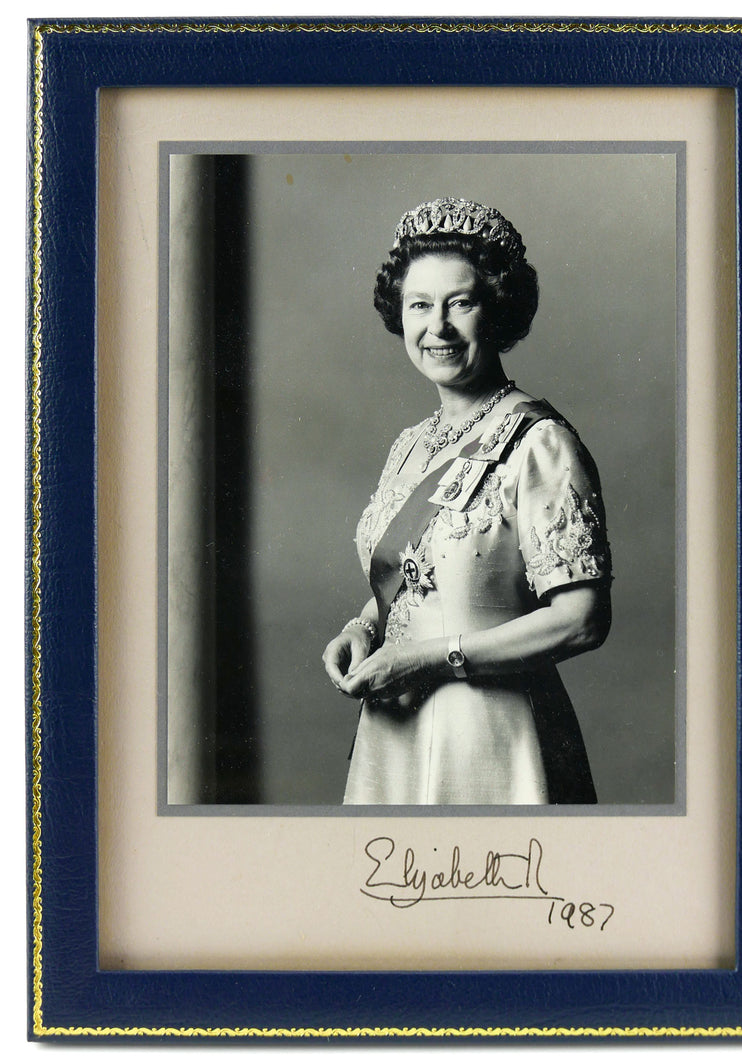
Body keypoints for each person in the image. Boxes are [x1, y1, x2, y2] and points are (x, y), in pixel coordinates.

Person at [322, 196, 612, 805]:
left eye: (461, 303)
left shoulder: (541, 444)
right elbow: (424, 581)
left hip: (494, 738)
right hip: (395, 728)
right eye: (420, 305)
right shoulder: (411, 445)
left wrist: (431, 660)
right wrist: (363, 626)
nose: (438, 328)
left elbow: (582, 619)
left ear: (497, 309)